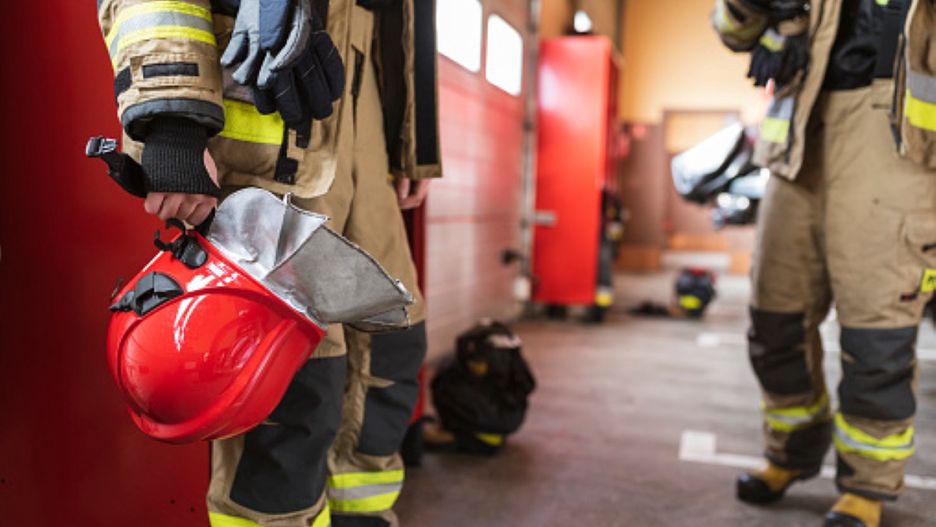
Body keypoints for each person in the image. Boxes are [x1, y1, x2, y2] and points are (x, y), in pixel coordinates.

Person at [95, 0, 442, 525]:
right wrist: (172, 118)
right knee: (290, 387)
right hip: (269, 103)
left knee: (389, 348)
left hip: (362, 88)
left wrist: (413, 138)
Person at [711, 1, 935, 526]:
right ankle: (789, 451)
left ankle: (867, 485)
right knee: (775, 318)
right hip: (799, 132)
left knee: (876, 335)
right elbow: (735, 33)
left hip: (896, 139)